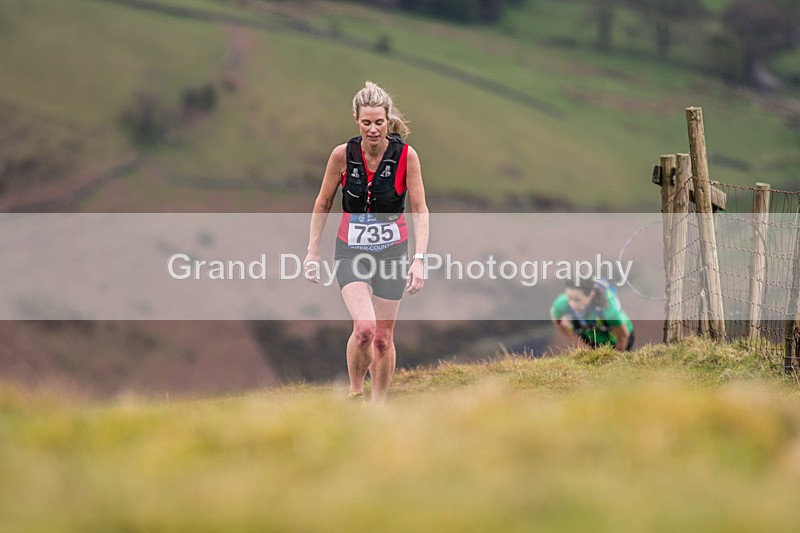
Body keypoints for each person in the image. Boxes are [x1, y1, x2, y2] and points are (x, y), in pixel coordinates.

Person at [304, 81, 429, 403]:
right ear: (356, 122)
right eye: (366, 123)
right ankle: (355, 392)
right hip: (351, 250)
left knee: (384, 339)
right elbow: (323, 202)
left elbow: (420, 209)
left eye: (379, 122)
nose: (373, 129)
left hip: (392, 254)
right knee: (364, 328)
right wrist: (312, 252)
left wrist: (419, 259)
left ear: (388, 121)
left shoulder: (406, 157)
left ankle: (378, 404)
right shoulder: (342, 156)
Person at [550, 277, 634, 351]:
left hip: (619, 339)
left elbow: (623, 337)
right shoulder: (561, 304)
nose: (572, 305)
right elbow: (557, 322)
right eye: (569, 298)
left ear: (591, 295)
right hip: (591, 339)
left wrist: (615, 360)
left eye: (577, 300)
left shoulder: (609, 310)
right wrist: (581, 345)